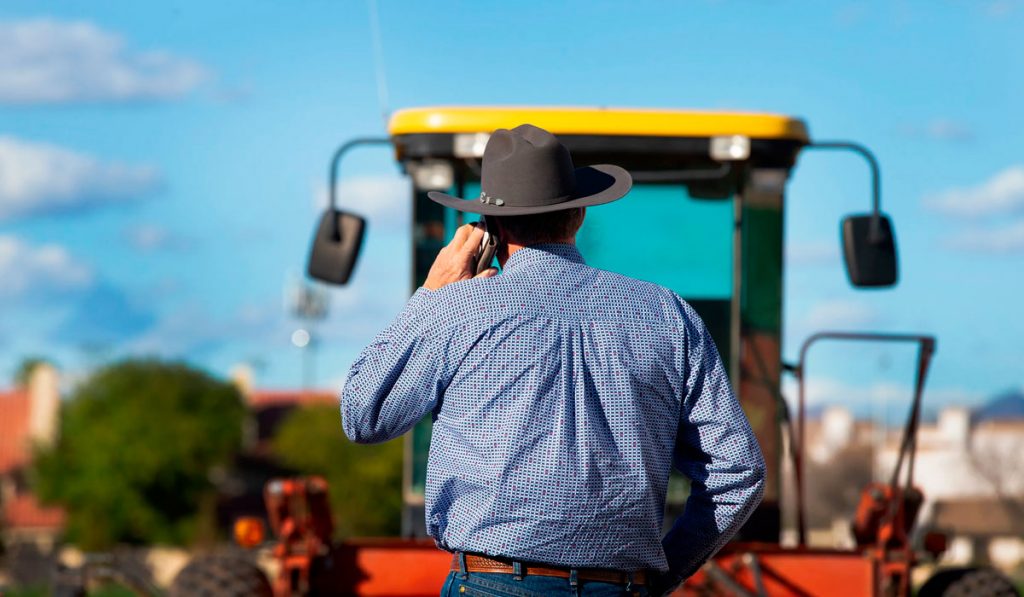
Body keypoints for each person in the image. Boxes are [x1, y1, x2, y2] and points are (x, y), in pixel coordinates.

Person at [341, 124, 765, 596]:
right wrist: (660, 574)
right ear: (579, 214)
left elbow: (364, 416)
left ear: (490, 229)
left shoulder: (457, 309)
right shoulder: (668, 314)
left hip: (489, 584)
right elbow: (737, 473)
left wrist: (430, 294)